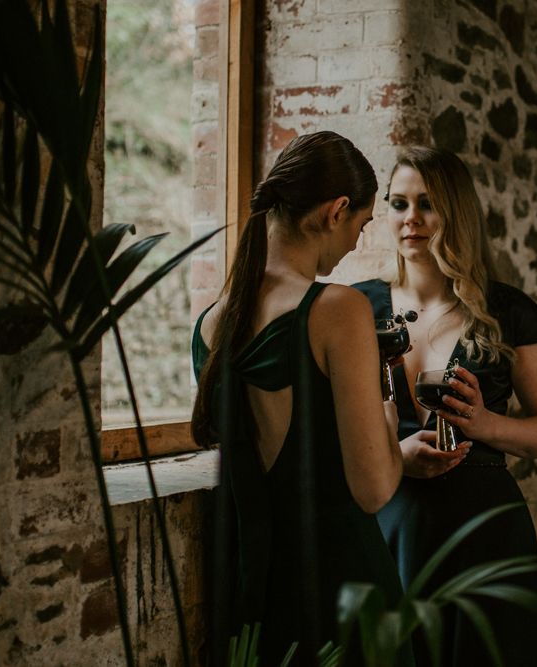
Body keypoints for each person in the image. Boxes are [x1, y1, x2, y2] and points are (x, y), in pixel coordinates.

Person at [190, 131, 414, 666]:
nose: (357, 244)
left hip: (253, 594)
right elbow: (374, 490)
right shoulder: (338, 309)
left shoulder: (210, 323)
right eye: (361, 227)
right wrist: (385, 383)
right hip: (341, 592)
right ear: (336, 211)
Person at [354, 146, 537, 666]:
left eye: (428, 204)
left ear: (457, 213)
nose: (411, 220)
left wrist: (487, 423)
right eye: (399, 204)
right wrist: (392, 458)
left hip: (486, 532)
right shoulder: (355, 308)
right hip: (393, 527)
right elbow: (330, 431)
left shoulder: (507, 311)